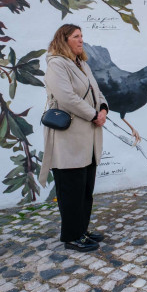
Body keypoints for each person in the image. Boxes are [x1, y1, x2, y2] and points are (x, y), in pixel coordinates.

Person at [39, 24, 109, 252]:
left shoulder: (82, 64)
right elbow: (66, 97)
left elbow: (96, 91)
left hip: (87, 137)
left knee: (85, 188)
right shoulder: (57, 64)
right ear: (64, 39)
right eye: (76, 37)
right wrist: (92, 114)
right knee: (70, 189)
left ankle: (82, 229)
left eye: (81, 36)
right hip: (68, 139)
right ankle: (71, 237)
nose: (81, 40)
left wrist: (104, 109)